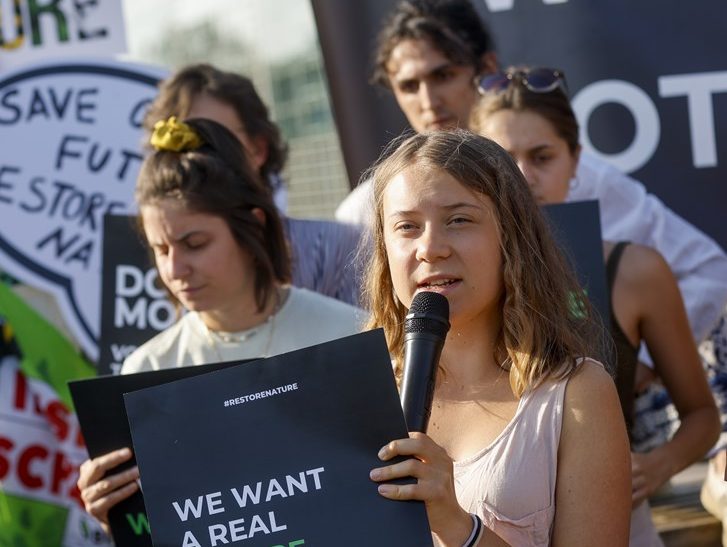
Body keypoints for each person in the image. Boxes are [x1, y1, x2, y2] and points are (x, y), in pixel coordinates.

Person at [334, 0, 727, 365]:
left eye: (443, 74)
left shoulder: (579, 175)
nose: (429, 99)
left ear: (485, 68)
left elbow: (708, 271)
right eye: (409, 85)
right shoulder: (369, 207)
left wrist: (634, 362)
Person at [471, 66, 720, 545]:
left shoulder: (635, 272)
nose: (523, 176)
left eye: (542, 156)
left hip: (621, 524)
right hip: (479, 523)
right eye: (503, 159)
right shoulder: (449, 283)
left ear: (576, 159)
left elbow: (701, 416)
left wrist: (655, 465)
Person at [77, 117, 364, 533]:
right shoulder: (145, 371)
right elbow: (163, 529)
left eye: (195, 244)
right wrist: (118, 515)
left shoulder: (349, 333)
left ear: (254, 226)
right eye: (160, 249)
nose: (175, 269)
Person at [365, 129, 631, 546]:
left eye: (459, 220)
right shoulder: (357, 393)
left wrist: (457, 525)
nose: (430, 248)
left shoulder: (576, 393)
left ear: (512, 237)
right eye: (407, 227)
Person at [146, 63, 363, 306]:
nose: (196, 161)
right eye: (181, 145)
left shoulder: (337, 248)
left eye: (215, 140)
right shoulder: (159, 272)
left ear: (258, 148)